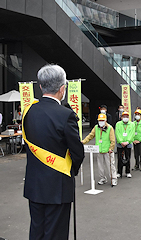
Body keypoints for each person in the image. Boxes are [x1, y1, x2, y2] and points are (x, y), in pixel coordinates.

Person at [23, 64, 84, 239]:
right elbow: (77, 152)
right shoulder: (66, 115)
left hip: (34, 185)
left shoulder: (28, 111)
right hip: (58, 185)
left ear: (41, 86)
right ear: (62, 88)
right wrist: (72, 170)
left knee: (37, 231)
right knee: (55, 234)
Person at [82, 113, 117, 186]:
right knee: (100, 166)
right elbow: (90, 136)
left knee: (110, 165)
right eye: (99, 120)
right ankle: (102, 178)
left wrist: (111, 148)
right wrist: (83, 142)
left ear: (105, 120)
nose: (101, 122)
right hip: (99, 150)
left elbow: (112, 140)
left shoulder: (110, 128)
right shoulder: (96, 127)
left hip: (108, 150)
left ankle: (113, 179)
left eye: (102, 120)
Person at [115, 111, 135, 178]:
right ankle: (119, 172)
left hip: (128, 144)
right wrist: (121, 142)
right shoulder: (118, 124)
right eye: (124, 116)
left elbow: (132, 134)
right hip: (120, 144)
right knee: (119, 158)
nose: (125, 118)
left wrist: (127, 142)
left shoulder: (132, 124)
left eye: (127, 116)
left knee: (128, 158)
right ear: (121, 117)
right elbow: (117, 133)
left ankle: (128, 171)